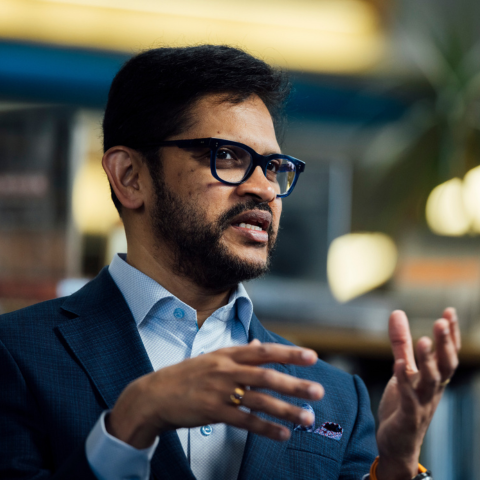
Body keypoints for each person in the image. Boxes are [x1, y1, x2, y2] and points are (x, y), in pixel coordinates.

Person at [0, 45, 460, 480]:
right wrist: (128, 426)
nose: (263, 188)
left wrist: (397, 467)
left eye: (274, 166)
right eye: (228, 156)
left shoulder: (339, 396)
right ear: (130, 177)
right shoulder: (16, 354)